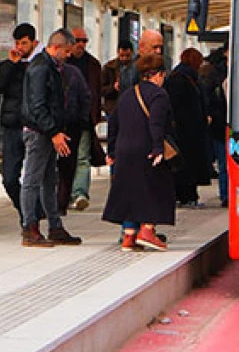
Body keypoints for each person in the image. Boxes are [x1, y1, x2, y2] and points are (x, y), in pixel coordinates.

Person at [102, 53, 176, 251]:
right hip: (146, 149)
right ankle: (148, 230)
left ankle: (129, 237)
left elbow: (113, 124)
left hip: (124, 149)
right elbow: (156, 123)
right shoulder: (159, 95)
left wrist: (111, 150)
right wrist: (158, 148)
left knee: (129, 191)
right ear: (159, 74)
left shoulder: (127, 94)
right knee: (157, 187)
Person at [20, 29, 83, 248]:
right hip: (39, 133)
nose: (68, 56)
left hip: (47, 131)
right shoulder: (41, 68)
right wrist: (53, 132)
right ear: (56, 47)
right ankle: (29, 227)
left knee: (49, 180)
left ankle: (54, 226)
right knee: (32, 180)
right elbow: (38, 106)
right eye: (66, 51)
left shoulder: (52, 67)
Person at [0, 23, 39, 226]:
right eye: (18, 42)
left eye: (25, 43)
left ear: (34, 43)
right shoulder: (7, 65)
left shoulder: (40, 65)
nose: (20, 47)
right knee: (9, 177)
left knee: (36, 176)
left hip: (35, 126)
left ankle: (32, 217)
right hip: (12, 126)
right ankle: (25, 209)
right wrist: (11, 65)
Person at [165, 48, 213, 207]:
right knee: (187, 165)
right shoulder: (182, 78)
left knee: (188, 165)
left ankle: (187, 195)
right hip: (187, 131)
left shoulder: (183, 77)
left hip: (189, 130)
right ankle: (187, 196)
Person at [67, 27, 104, 211]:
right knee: (64, 158)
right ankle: (64, 194)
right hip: (64, 120)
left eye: (84, 41)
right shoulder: (61, 63)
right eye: (77, 40)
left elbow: (97, 92)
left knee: (82, 158)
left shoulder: (93, 65)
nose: (80, 44)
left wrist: (94, 116)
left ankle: (80, 193)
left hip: (85, 120)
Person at [56, 57, 91, 215]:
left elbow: (86, 97)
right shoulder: (43, 70)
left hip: (73, 126)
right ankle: (56, 201)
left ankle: (69, 198)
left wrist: (81, 120)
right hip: (51, 127)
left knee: (72, 163)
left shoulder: (75, 72)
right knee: (55, 166)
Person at [200, 48, 229, 207]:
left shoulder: (214, 73)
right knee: (224, 161)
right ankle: (226, 195)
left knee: (225, 161)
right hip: (221, 123)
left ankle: (227, 194)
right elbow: (209, 97)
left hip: (222, 122)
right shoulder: (216, 73)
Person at [101, 42, 135, 119]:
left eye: (127, 56)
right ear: (117, 53)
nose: (124, 58)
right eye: (122, 56)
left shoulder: (136, 68)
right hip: (113, 108)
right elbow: (100, 89)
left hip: (130, 107)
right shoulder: (108, 67)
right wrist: (112, 88)